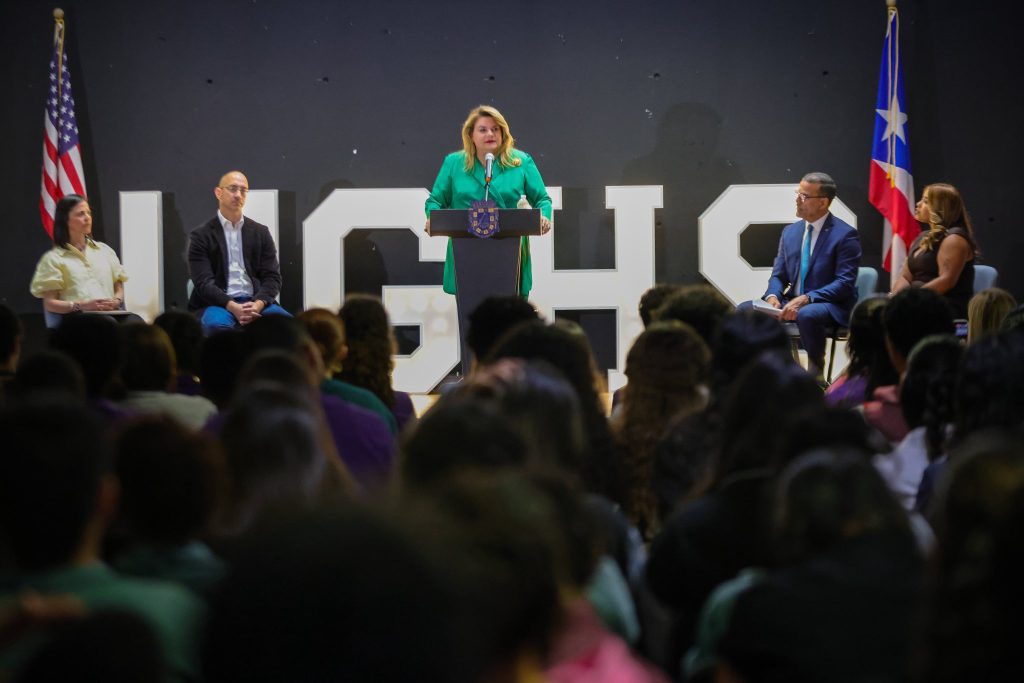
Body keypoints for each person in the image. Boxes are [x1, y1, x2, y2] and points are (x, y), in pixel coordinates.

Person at [424, 105, 552, 297]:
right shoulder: (454, 163)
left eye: (495, 129)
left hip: (511, 253)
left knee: (511, 314)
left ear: (503, 132)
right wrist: (432, 218)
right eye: (483, 130)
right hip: (467, 255)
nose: (490, 134)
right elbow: (435, 202)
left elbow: (542, 199)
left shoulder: (521, 162)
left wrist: (544, 217)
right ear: (471, 135)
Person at [746, 172, 862, 378]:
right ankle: (776, 371)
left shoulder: (845, 235)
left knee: (808, 314)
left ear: (823, 202)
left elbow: (844, 283)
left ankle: (815, 374)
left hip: (830, 304)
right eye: (798, 194)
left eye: (804, 196)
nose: (797, 200)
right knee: (745, 309)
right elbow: (778, 275)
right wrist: (773, 296)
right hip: (793, 300)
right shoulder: (790, 232)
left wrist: (807, 299)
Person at [187, 170, 289, 334]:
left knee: (290, 326)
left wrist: (258, 304)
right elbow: (203, 283)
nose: (238, 195)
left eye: (243, 190)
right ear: (218, 193)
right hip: (218, 304)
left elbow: (272, 277)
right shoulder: (201, 236)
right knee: (216, 327)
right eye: (233, 189)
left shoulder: (260, 232)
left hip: (256, 301)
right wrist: (233, 306)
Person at [29, 194, 140, 327]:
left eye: (89, 213)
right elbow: (50, 304)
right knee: (106, 325)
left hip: (109, 314)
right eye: (81, 214)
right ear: (65, 220)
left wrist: (116, 300)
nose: (87, 218)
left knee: (136, 323)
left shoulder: (105, 250)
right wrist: (82, 305)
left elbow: (118, 288)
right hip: (76, 317)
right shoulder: (54, 259)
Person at [893, 182, 978, 318]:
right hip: (915, 303)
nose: (918, 204)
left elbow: (946, 281)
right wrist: (896, 299)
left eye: (926, 201)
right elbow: (905, 276)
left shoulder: (954, 239)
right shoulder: (922, 237)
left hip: (941, 307)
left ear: (940, 208)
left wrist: (911, 301)